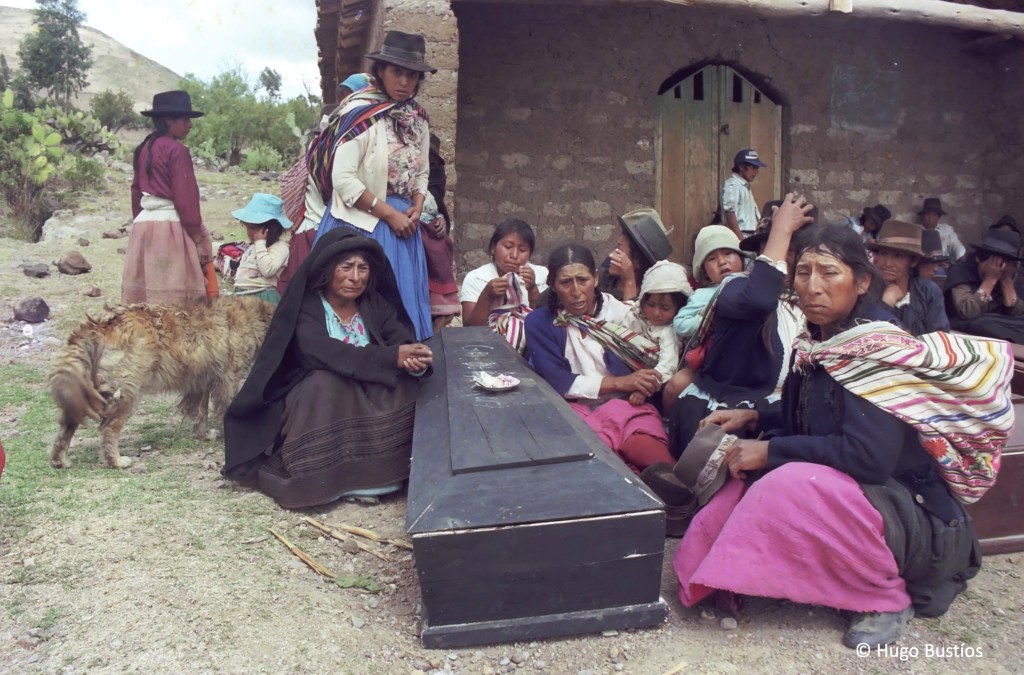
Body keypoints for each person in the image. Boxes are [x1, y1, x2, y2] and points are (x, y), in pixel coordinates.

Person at [674, 223, 1010, 649]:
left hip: (918, 522)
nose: (812, 286)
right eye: (802, 272)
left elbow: (870, 458)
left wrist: (772, 451)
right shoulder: (817, 343)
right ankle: (733, 572)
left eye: (829, 273)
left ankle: (882, 596)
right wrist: (753, 417)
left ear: (862, 281)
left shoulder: (872, 351)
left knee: (789, 480)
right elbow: (813, 418)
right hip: (875, 502)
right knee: (745, 477)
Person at [222, 229, 433, 509]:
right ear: (327, 270)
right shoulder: (308, 306)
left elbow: (399, 340)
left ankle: (381, 475)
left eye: (363, 268)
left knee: (412, 385)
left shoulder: (374, 305)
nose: (355, 277)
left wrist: (412, 359)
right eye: (346, 267)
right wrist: (390, 357)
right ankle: (321, 480)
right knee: (326, 383)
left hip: (368, 391)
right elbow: (319, 352)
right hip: (321, 395)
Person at [308, 30, 437, 340]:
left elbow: (422, 170)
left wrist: (417, 204)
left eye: (411, 75)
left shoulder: (418, 119)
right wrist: (389, 215)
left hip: (404, 226)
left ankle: (402, 367)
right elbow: (343, 179)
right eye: (397, 72)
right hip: (361, 223)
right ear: (381, 72)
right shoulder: (360, 115)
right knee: (360, 299)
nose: (404, 82)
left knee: (399, 306)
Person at [665, 196, 811, 453]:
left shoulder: (811, 303)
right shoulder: (735, 288)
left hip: (782, 417)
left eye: (798, 249)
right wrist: (781, 230)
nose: (792, 257)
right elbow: (759, 299)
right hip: (725, 420)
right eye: (784, 246)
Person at [524, 244, 674, 475]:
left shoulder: (624, 315)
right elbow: (557, 380)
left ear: (595, 278)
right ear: (553, 285)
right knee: (598, 464)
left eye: (582, 280)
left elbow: (654, 355)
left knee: (651, 454)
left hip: (627, 406)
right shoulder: (540, 323)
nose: (576, 291)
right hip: (574, 410)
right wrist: (622, 382)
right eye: (566, 282)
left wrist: (642, 383)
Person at [122, 90, 212, 304]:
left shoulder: (143, 148)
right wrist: (198, 239)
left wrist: (140, 224)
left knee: (147, 294)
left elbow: (136, 192)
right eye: (185, 119)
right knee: (175, 296)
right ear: (168, 120)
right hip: (170, 227)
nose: (189, 125)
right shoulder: (177, 151)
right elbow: (186, 200)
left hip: (144, 225)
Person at [461, 218, 548, 352]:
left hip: (530, 351)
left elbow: (546, 325)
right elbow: (470, 329)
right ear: (493, 248)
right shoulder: (477, 277)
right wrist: (487, 295)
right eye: (508, 247)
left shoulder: (540, 274)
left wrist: (532, 290)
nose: (514, 255)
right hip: (487, 349)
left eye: (522, 249)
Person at [624, 261, 693, 404]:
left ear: (679, 309)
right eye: (651, 305)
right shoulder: (636, 313)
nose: (656, 313)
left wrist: (644, 389)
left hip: (655, 387)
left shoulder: (669, 331)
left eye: (665, 308)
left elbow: (668, 365)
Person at [868, 219, 949, 335]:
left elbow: (940, 337)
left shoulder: (927, 291)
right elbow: (867, 335)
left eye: (898, 256)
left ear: (913, 261)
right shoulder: (867, 290)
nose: (888, 263)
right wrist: (886, 302)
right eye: (883, 253)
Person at [944, 228, 1024, 343]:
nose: (999, 268)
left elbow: (1017, 316)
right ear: (979, 259)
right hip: (963, 336)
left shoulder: (1007, 277)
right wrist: (990, 280)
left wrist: (1007, 283)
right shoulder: (962, 273)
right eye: (995, 262)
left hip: (1001, 339)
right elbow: (968, 312)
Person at [673, 225, 746, 340]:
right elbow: (680, 324)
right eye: (712, 259)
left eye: (727, 253)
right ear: (705, 270)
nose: (722, 261)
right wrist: (710, 320)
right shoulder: (703, 295)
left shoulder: (753, 286)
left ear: (741, 257)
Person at [598, 208, 673, 301]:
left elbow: (630, 315)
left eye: (619, 251)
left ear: (638, 261)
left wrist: (629, 281)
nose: (611, 255)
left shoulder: (650, 296)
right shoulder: (602, 279)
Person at [230, 193, 291, 304]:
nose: (249, 232)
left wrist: (260, 242)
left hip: (263, 297)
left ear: (269, 229)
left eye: (253, 228)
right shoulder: (254, 247)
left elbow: (267, 271)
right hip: (242, 295)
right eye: (247, 227)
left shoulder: (280, 248)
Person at [419, 192, 460, 331]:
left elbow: (434, 209)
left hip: (433, 239)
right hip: (415, 236)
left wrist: (439, 218)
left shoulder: (424, 190)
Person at [721, 149, 767, 239]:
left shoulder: (744, 186)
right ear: (741, 167)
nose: (756, 172)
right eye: (753, 167)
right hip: (740, 235)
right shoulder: (733, 184)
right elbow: (730, 212)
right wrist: (740, 240)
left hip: (750, 235)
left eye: (757, 168)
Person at [918, 197, 965, 262]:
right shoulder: (916, 230)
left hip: (945, 265)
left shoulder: (947, 230)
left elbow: (957, 245)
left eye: (934, 215)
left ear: (938, 217)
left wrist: (962, 261)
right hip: (924, 265)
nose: (930, 218)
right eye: (927, 214)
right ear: (923, 216)